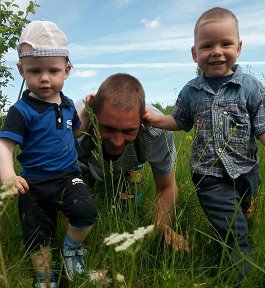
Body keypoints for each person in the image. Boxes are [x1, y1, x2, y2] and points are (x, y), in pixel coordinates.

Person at [143, 6, 265, 281]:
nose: (217, 51)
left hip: (247, 171)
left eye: (226, 44)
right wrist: (154, 120)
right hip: (208, 174)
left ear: (239, 47)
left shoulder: (250, 87)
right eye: (207, 46)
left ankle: (225, 250)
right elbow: (179, 121)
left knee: (244, 220)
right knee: (235, 230)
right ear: (194, 53)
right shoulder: (190, 91)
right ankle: (242, 276)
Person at [0, 20, 97, 287]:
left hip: (68, 176)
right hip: (34, 182)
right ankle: (44, 277)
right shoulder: (22, 110)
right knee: (37, 233)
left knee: (86, 211)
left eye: (53, 70)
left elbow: (76, 132)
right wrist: (8, 175)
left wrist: (87, 112)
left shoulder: (66, 104)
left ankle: (72, 247)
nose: (44, 78)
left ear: (67, 70)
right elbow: (5, 145)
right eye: (35, 71)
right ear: (21, 70)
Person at [76, 73, 189, 252]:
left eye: (128, 131)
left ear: (142, 120)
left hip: (129, 166)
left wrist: (159, 227)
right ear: (94, 114)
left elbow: (167, 187)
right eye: (108, 128)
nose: (117, 141)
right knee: (81, 204)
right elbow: (54, 177)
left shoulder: (157, 130)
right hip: (84, 162)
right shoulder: (76, 122)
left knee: (125, 211)